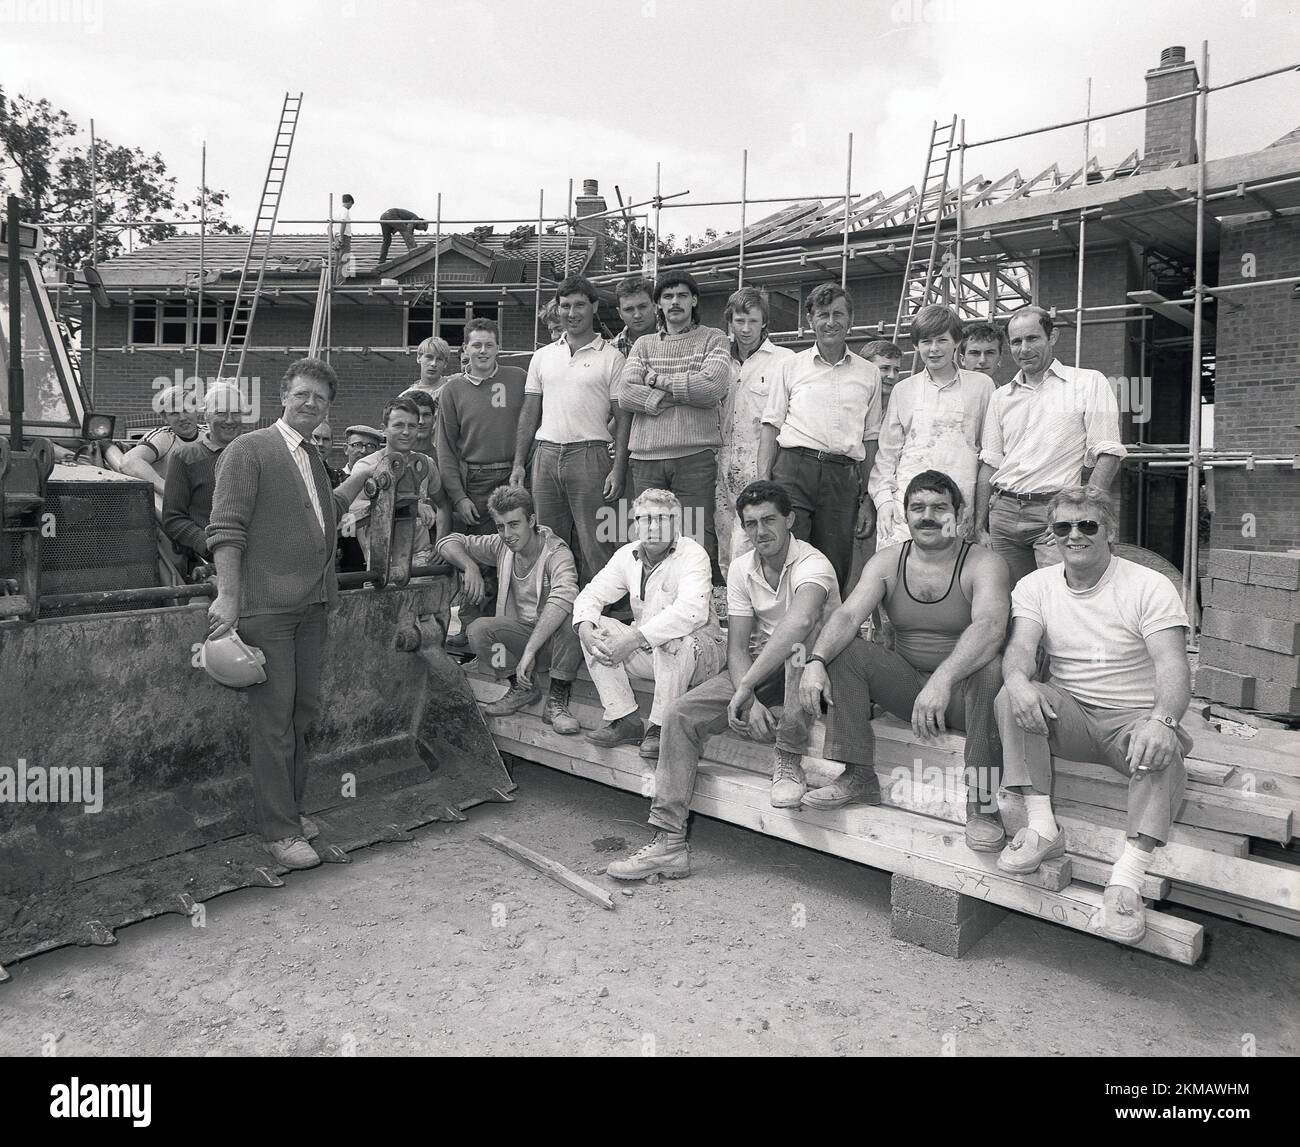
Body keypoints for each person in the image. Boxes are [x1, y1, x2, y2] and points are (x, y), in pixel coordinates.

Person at [605, 481, 840, 881]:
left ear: (791, 520)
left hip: (821, 666)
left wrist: (747, 686)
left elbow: (799, 623)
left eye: (769, 520)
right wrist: (747, 693)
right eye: (751, 524)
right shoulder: (743, 568)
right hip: (763, 669)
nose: (760, 531)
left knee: (797, 647)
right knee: (679, 714)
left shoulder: (812, 563)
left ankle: (788, 755)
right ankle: (668, 842)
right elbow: (736, 647)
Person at [994, 486, 1193, 944]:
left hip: (1132, 721)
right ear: (1051, 534)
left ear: (1110, 532)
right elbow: (1021, 648)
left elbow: (1172, 664)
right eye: (1063, 526)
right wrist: (1019, 682)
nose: (1075, 535)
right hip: (1072, 715)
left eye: (1087, 525)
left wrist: (1163, 721)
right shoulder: (1035, 586)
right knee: (1013, 696)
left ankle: (1127, 879)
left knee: (1164, 752)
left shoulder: (1148, 585)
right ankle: (1042, 828)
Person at [206, 359, 372, 870]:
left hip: (312, 605)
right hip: (267, 607)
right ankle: (278, 831)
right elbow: (226, 529)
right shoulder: (249, 450)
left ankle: (292, 813)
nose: (310, 404)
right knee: (275, 721)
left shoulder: (312, 460)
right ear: (284, 395)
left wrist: (364, 477)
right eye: (302, 394)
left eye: (320, 399)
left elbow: (325, 512)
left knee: (303, 715)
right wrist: (229, 598)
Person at [797, 470, 1010, 848]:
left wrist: (942, 681)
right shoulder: (887, 561)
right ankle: (858, 775)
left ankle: (984, 802)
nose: (928, 516)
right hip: (909, 690)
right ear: (906, 515)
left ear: (958, 515)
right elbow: (847, 616)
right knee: (846, 651)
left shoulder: (984, 563)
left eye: (939, 507)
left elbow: (991, 628)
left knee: (991, 668)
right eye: (918, 508)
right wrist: (814, 661)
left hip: (964, 696)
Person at [973, 305, 1127, 585]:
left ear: (1052, 337)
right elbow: (989, 464)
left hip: (1055, 511)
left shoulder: (1088, 383)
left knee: (1062, 599)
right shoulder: (1000, 397)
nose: (1024, 349)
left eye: (1033, 338)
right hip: (1004, 514)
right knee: (1014, 601)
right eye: (1016, 342)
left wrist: (1078, 513)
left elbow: (1109, 454)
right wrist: (979, 523)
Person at [573, 489, 727, 759]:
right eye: (645, 519)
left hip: (699, 656)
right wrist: (586, 629)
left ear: (676, 522)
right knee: (596, 627)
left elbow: (691, 613)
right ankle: (625, 719)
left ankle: (659, 726)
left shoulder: (693, 554)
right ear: (636, 522)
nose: (653, 527)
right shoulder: (627, 554)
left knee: (672, 637)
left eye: (662, 519)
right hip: (651, 656)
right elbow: (592, 594)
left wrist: (633, 639)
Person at [758, 282, 881, 592]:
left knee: (832, 564)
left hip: (841, 477)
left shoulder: (870, 373)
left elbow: (870, 439)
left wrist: (868, 499)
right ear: (809, 320)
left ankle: (823, 636)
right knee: (785, 557)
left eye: (838, 314)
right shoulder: (790, 366)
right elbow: (771, 427)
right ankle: (785, 634)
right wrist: (764, 485)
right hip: (793, 469)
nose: (831, 322)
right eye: (822, 314)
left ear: (850, 319)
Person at [511, 275, 630, 584]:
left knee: (596, 542)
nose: (572, 313)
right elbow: (529, 411)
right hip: (546, 455)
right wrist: (518, 464)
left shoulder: (612, 358)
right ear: (558, 309)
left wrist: (618, 469)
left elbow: (623, 416)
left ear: (593, 307)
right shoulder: (543, 356)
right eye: (565, 306)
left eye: (579, 305)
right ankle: (553, 610)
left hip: (591, 455)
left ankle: (602, 616)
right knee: (547, 542)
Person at [436, 485, 582, 733]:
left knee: (572, 615)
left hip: (553, 644)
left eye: (514, 524)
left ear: (532, 520)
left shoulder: (557, 553)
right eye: (500, 526)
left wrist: (530, 652)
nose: (507, 533)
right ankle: (519, 687)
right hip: (521, 639)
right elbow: (448, 541)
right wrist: (470, 566)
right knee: (478, 630)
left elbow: (564, 597)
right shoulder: (501, 545)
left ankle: (557, 700)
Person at [618, 271, 732, 584]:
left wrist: (656, 381)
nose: (675, 302)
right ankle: (651, 613)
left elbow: (712, 388)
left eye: (682, 295)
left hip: (694, 457)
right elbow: (625, 393)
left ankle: (697, 617)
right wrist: (669, 398)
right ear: (658, 304)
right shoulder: (642, 344)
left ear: (694, 300)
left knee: (694, 540)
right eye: (667, 297)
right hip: (646, 458)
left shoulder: (714, 338)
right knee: (649, 539)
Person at [868, 304, 994, 547]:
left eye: (942, 340)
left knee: (947, 570)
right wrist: (883, 501)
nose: (934, 349)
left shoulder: (982, 386)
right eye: (926, 341)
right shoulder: (903, 390)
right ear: (916, 345)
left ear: (957, 341)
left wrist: (979, 520)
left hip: (955, 508)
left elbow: (989, 454)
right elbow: (887, 455)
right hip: (906, 509)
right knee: (898, 572)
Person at [437, 317, 528, 640]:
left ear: (498, 347)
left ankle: (514, 624)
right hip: (475, 479)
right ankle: (472, 625)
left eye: (489, 344)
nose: (483, 350)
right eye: (476, 344)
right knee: (480, 553)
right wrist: (458, 496)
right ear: (465, 349)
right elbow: (446, 448)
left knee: (518, 550)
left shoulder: (518, 378)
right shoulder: (453, 390)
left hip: (515, 476)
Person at [716, 286, 793, 571]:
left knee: (751, 540)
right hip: (720, 462)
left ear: (765, 323)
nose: (746, 328)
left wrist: (770, 469)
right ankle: (732, 605)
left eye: (753, 321)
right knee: (724, 539)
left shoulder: (784, 361)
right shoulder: (718, 358)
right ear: (729, 321)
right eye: (739, 321)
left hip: (760, 460)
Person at [344, 397, 450, 568]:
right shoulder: (366, 466)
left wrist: (440, 545)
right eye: (399, 425)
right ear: (384, 429)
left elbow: (444, 505)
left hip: (422, 559)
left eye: (412, 426)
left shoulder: (425, 463)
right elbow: (352, 511)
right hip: (383, 562)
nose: (406, 432)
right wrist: (409, 506)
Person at [162, 383, 249, 576]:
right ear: (206, 415)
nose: (229, 420)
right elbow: (173, 519)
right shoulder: (185, 457)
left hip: (258, 563)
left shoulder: (256, 454)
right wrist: (210, 546)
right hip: (210, 567)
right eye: (220, 413)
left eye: (235, 412)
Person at [120, 384, 204, 497]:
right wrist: (171, 492)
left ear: (196, 411)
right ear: (165, 418)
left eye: (187, 410)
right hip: (170, 507)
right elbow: (129, 462)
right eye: (174, 413)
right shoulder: (163, 437)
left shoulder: (210, 435)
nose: (182, 418)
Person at [611, 276, 658, 358]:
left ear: (654, 306)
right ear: (619, 313)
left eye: (642, 307)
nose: (637, 315)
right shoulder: (613, 350)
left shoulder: (675, 336)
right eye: (629, 309)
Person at [403, 336, 454, 407]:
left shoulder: (454, 389)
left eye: (439, 359)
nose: (433, 364)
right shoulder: (406, 399)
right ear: (419, 357)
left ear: (445, 363)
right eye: (429, 357)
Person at [861, 339, 904, 409]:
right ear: (864, 369)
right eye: (884, 368)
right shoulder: (845, 402)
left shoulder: (904, 407)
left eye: (896, 370)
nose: (892, 376)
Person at [404, 389, 438, 459]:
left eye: (426, 415)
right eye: (416, 415)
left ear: (434, 420)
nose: (421, 421)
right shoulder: (390, 458)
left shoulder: (445, 459)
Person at [311, 422, 345, 487]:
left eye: (326, 439)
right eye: (316, 438)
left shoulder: (338, 479)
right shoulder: (295, 472)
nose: (321, 444)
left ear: (332, 444)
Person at [333, 194, 354, 280]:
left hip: (336, 236)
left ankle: (335, 281)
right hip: (344, 237)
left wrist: (333, 240)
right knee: (344, 260)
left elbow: (329, 227)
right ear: (349, 202)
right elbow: (343, 222)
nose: (350, 207)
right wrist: (341, 237)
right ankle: (340, 283)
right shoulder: (345, 211)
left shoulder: (336, 211)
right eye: (351, 205)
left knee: (337, 261)